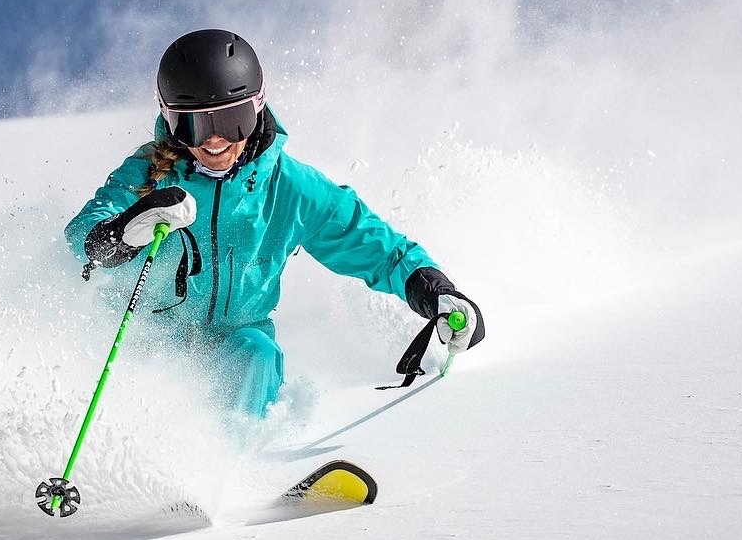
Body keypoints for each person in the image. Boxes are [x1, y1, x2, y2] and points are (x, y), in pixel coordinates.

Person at [65, 28, 485, 421]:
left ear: (258, 108)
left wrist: (436, 292)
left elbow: (376, 246)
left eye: (231, 120)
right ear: (170, 120)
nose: (214, 140)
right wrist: (127, 230)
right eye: (195, 122)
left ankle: (223, 475)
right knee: (141, 372)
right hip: (149, 336)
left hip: (237, 340)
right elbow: (84, 236)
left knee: (257, 356)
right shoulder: (149, 175)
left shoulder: (291, 188)